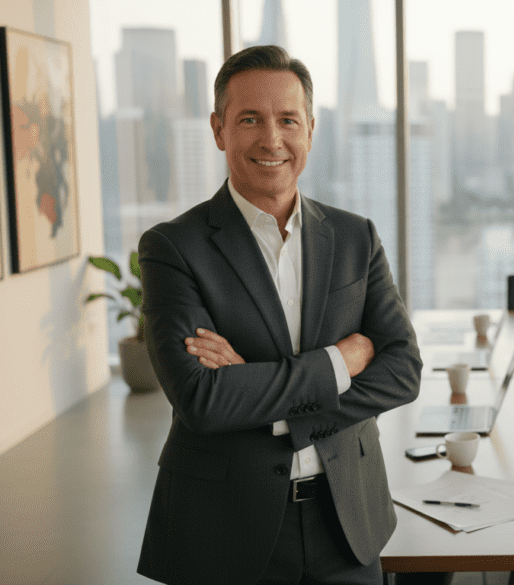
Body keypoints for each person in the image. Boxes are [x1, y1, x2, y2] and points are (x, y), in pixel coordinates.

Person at [136, 45, 421, 585]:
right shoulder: (173, 248)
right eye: (250, 119)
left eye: (288, 120)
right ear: (219, 129)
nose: (272, 139)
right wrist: (342, 359)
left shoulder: (355, 237)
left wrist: (259, 392)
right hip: (223, 531)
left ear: (310, 129)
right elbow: (202, 399)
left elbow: (403, 371)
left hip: (348, 524)